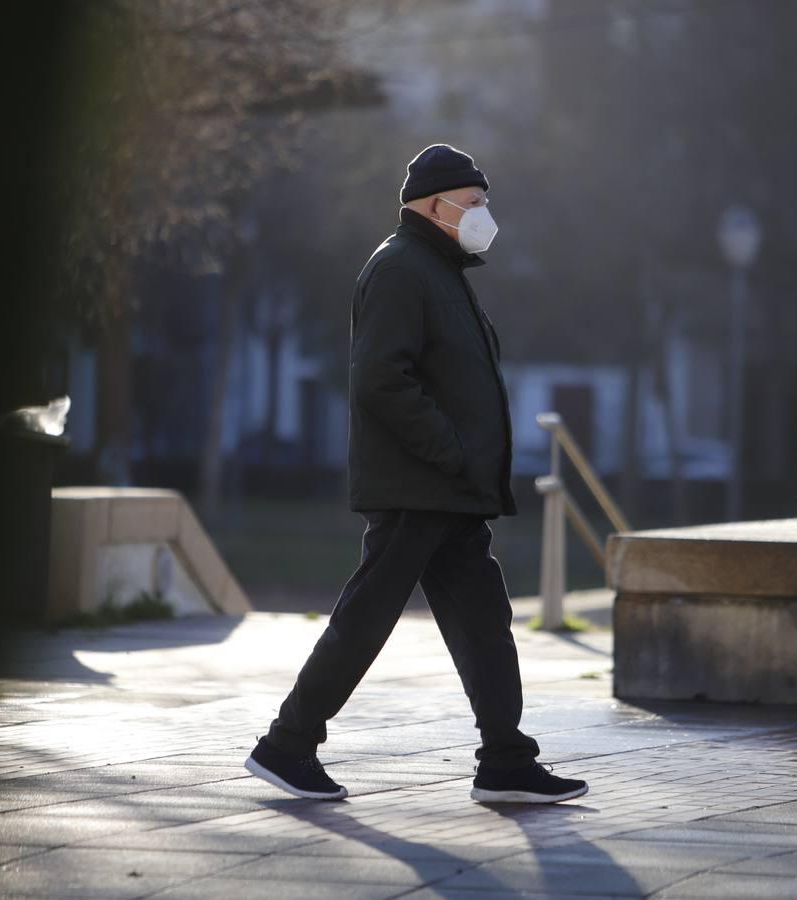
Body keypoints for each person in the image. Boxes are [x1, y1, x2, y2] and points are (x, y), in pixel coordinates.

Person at [244, 144, 588, 804]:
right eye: (476, 203)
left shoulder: (440, 270)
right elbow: (380, 380)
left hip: (449, 492)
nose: (487, 215)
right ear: (435, 206)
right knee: (366, 619)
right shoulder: (402, 268)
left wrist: (464, 467)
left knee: (484, 621)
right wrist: (451, 451)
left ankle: (506, 761)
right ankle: (286, 746)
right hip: (418, 488)